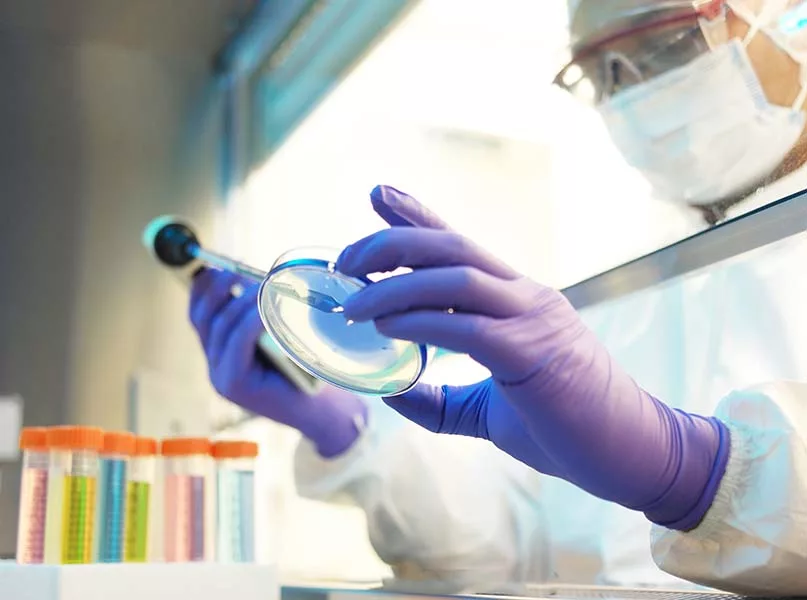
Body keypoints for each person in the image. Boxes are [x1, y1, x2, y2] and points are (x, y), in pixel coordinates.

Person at [189, 0, 807, 596]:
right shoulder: (631, 281)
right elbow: (505, 552)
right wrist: (351, 431)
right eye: (600, 72)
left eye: (667, 40)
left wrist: (696, 474)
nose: (634, 91)